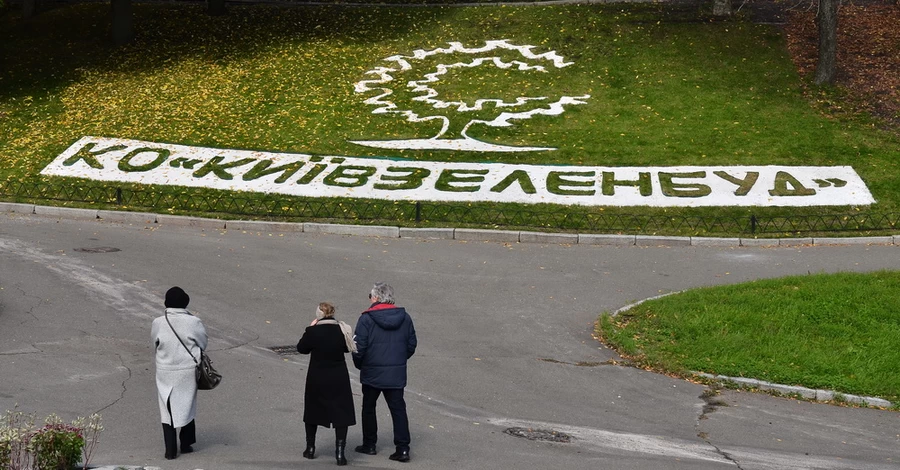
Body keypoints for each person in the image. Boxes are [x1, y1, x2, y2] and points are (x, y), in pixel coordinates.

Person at [352, 282, 417, 463]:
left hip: (372, 371)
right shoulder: (405, 318)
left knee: (369, 408)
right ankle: (403, 449)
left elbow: (358, 347)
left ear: (376, 298)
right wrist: (398, 360)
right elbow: (411, 345)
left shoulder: (366, 319)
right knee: (398, 410)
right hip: (395, 373)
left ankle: (370, 444)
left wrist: (361, 365)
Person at [150, 286, 208, 460]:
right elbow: (203, 342)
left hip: (165, 369)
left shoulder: (158, 322)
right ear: (185, 302)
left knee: (166, 408)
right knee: (187, 404)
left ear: (167, 303)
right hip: (187, 370)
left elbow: (155, 342)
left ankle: (170, 449)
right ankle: (186, 443)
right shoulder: (194, 322)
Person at [296, 302, 356, 466]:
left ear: (318, 315)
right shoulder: (341, 330)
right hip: (338, 377)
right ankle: (340, 453)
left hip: (317, 376)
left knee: (313, 410)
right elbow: (346, 349)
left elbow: (301, 348)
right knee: (341, 413)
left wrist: (309, 328)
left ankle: (310, 448)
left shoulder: (313, 332)